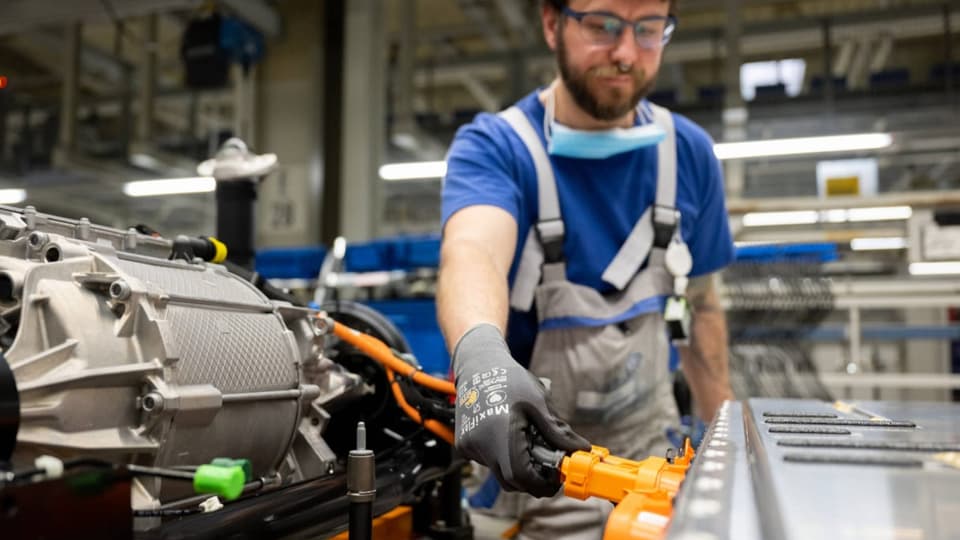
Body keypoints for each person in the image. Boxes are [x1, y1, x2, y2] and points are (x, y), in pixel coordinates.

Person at [437, 0, 736, 537]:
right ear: (552, 23)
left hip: (657, 468)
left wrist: (728, 448)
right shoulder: (499, 147)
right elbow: (473, 251)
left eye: (648, 29)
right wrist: (480, 356)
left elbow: (703, 305)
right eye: (603, 25)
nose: (625, 53)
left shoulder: (687, 153)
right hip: (532, 473)